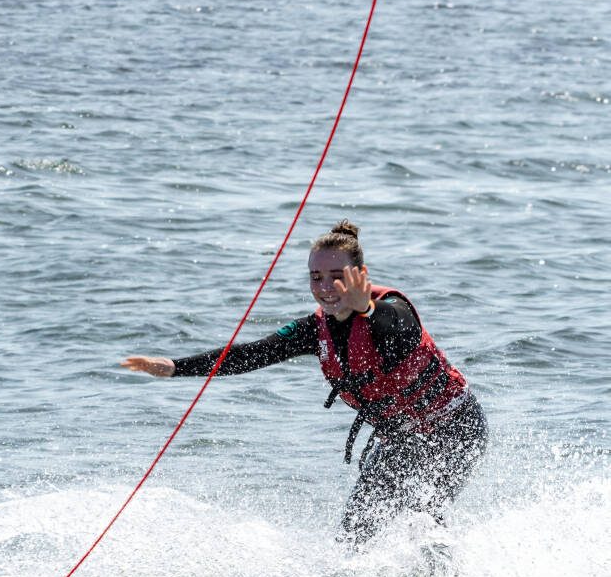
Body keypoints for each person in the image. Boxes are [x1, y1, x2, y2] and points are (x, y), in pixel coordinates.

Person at [121, 220, 487, 548]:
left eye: (336, 276)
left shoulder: (391, 309)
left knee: (423, 519)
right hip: (401, 440)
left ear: (360, 274)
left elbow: (395, 324)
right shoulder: (315, 330)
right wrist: (174, 367)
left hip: (456, 428)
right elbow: (251, 354)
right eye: (316, 277)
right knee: (354, 535)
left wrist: (367, 309)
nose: (325, 287)